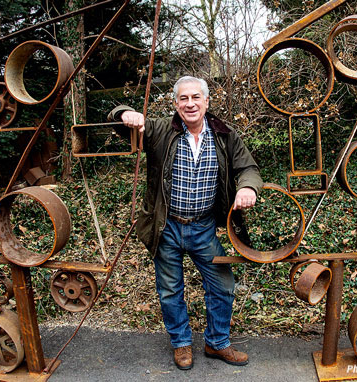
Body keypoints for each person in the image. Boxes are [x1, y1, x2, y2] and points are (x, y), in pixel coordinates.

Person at [108, 76, 262, 370]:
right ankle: (181, 343)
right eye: (183, 99)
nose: (189, 104)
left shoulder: (225, 135)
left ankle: (217, 343)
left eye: (195, 97)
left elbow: (248, 168)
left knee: (223, 285)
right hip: (166, 227)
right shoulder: (160, 130)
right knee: (169, 290)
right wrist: (124, 114)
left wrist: (247, 188)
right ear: (176, 104)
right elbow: (119, 123)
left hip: (203, 227)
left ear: (206, 101)